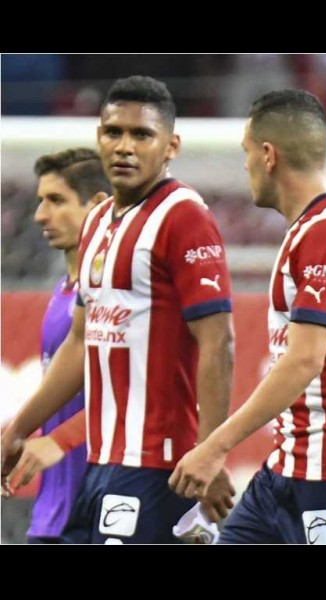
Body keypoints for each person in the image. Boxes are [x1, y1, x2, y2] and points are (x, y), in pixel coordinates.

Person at [1, 75, 236, 543]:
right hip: (101, 462)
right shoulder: (97, 224)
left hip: (158, 464)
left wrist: (211, 451)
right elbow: (79, 342)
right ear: (99, 137)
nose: (125, 147)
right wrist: (18, 429)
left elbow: (218, 340)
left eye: (142, 135)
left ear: (171, 147)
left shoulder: (183, 216)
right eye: (114, 132)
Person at [168, 89, 326, 544]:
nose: (246, 166)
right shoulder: (322, 227)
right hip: (291, 466)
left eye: (247, 152)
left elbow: (304, 360)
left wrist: (214, 446)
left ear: (269, 155)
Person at [5, 148, 110, 543]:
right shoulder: (64, 290)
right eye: (40, 201)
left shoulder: (116, 291)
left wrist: (60, 439)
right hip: (56, 507)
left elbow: (137, 393)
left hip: (101, 504)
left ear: (97, 204)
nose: (40, 215)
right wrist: (18, 433)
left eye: (56, 200)